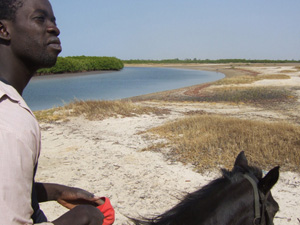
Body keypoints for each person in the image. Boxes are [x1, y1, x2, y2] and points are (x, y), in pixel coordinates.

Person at [0, 0, 114, 224]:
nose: (54, 28)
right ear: (3, 30)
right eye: (40, 19)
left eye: (53, 20)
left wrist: (57, 192)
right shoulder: (9, 120)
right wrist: (86, 216)